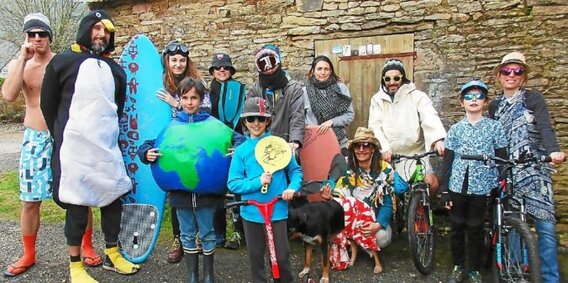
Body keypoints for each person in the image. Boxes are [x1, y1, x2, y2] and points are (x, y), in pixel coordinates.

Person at [40, 10, 140, 282]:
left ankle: (113, 253)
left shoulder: (115, 70)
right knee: (76, 206)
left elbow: (117, 108)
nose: (101, 35)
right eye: (96, 29)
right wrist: (63, 135)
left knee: (112, 201)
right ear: (86, 30)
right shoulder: (62, 62)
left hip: (106, 149)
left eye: (106, 31)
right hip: (74, 151)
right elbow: (48, 105)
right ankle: (75, 266)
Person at [1, 12, 100, 277]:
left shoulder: (64, 62)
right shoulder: (18, 65)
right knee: (30, 200)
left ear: (49, 36)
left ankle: (87, 246)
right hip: (35, 137)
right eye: (31, 34)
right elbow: (9, 95)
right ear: (25, 37)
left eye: (41, 34)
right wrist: (23, 57)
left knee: (78, 197)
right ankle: (28, 253)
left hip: (66, 136)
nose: (36, 39)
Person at [139, 77, 243, 283]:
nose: (189, 102)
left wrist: (238, 149)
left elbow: (239, 139)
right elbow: (148, 144)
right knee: (186, 234)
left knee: (207, 233)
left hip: (207, 194)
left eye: (194, 98)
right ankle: (192, 275)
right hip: (180, 195)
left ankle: (208, 275)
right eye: (184, 98)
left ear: (201, 99)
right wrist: (146, 153)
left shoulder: (214, 126)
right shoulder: (172, 127)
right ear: (179, 98)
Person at [488, 52, 565, 283]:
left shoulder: (533, 99)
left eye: (517, 71)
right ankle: (514, 274)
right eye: (507, 71)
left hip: (534, 170)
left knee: (546, 230)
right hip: (508, 171)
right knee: (511, 227)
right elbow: (493, 138)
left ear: (523, 76)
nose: (511, 75)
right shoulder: (494, 106)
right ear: (499, 76)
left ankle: (550, 278)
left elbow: (545, 127)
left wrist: (553, 151)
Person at [227, 97, 303, 283]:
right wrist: (257, 182)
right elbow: (233, 183)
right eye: (251, 119)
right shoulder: (242, 151)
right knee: (256, 258)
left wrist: (292, 188)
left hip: (277, 210)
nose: (256, 123)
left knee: (282, 257)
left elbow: (295, 171)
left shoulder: (279, 146)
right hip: (251, 211)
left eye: (261, 119)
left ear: (268, 120)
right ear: (245, 121)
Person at [440, 80, 508, 283]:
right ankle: (458, 265)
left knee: (476, 227)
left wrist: (502, 180)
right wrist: (444, 189)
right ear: (462, 102)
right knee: (457, 227)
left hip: (483, 185)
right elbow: (448, 160)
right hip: (457, 184)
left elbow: (502, 156)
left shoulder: (494, 127)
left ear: (485, 101)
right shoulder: (455, 129)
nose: (474, 100)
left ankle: (473, 269)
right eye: (469, 97)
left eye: (478, 96)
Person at [156, 39, 204, 263]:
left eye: (182, 60)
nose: (178, 64)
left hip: (193, 144)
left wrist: (174, 103)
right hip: (170, 145)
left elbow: (206, 111)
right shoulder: (159, 82)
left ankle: (200, 237)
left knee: (195, 188)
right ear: (167, 61)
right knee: (176, 191)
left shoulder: (196, 81)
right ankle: (179, 239)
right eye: (173, 60)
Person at [368, 58, 446, 191]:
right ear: (383, 80)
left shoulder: (418, 96)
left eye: (396, 78)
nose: (392, 82)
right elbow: (375, 126)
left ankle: (423, 209)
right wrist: (384, 148)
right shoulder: (377, 99)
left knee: (431, 184)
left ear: (402, 78)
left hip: (416, 155)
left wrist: (438, 140)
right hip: (391, 156)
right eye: (388, 79)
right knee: (391, 191)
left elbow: (429, 117)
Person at [325, 127, 393, 273]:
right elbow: (339, 198)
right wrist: (329, 197)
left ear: (373, 149)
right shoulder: (346, 168)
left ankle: (360, 244)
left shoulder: (385, 171)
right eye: (357, 145)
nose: (361, 149)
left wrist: (378, 224)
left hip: (373, 218)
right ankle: (358, 242)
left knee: (382, 237)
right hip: (352, 219)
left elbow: (387, 204)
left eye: (366, 145)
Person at [207, 53, 246, 250]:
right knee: (216, 192)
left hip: (236, 144)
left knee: (237, 190)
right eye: (218, 67)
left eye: (225, 67)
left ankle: (238, 232)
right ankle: (218, 233)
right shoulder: (206, 94)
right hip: (215, 148)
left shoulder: (239, 91)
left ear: (230, 71)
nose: (222, 70)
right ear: (212, 71)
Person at [246, 44, 305, 152]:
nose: (268, 69)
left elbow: (297, 117)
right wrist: (250, 144)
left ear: (279, 62)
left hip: (286, 145)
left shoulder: (294, 89)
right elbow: (248, 116)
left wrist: (295, 142)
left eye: (272, 62)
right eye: (262, 64)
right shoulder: (255, 89)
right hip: (261, 145)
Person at [303, 55, 354, 153]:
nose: (323, 72)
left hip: (338, 141)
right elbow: (300, 118)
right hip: (314, 142)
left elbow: (349, 115)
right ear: (313, 71)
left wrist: (332, 122)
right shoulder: (304, 91)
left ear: (331, 71)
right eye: (319, 69)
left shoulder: (341, 88)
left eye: (326, 69)